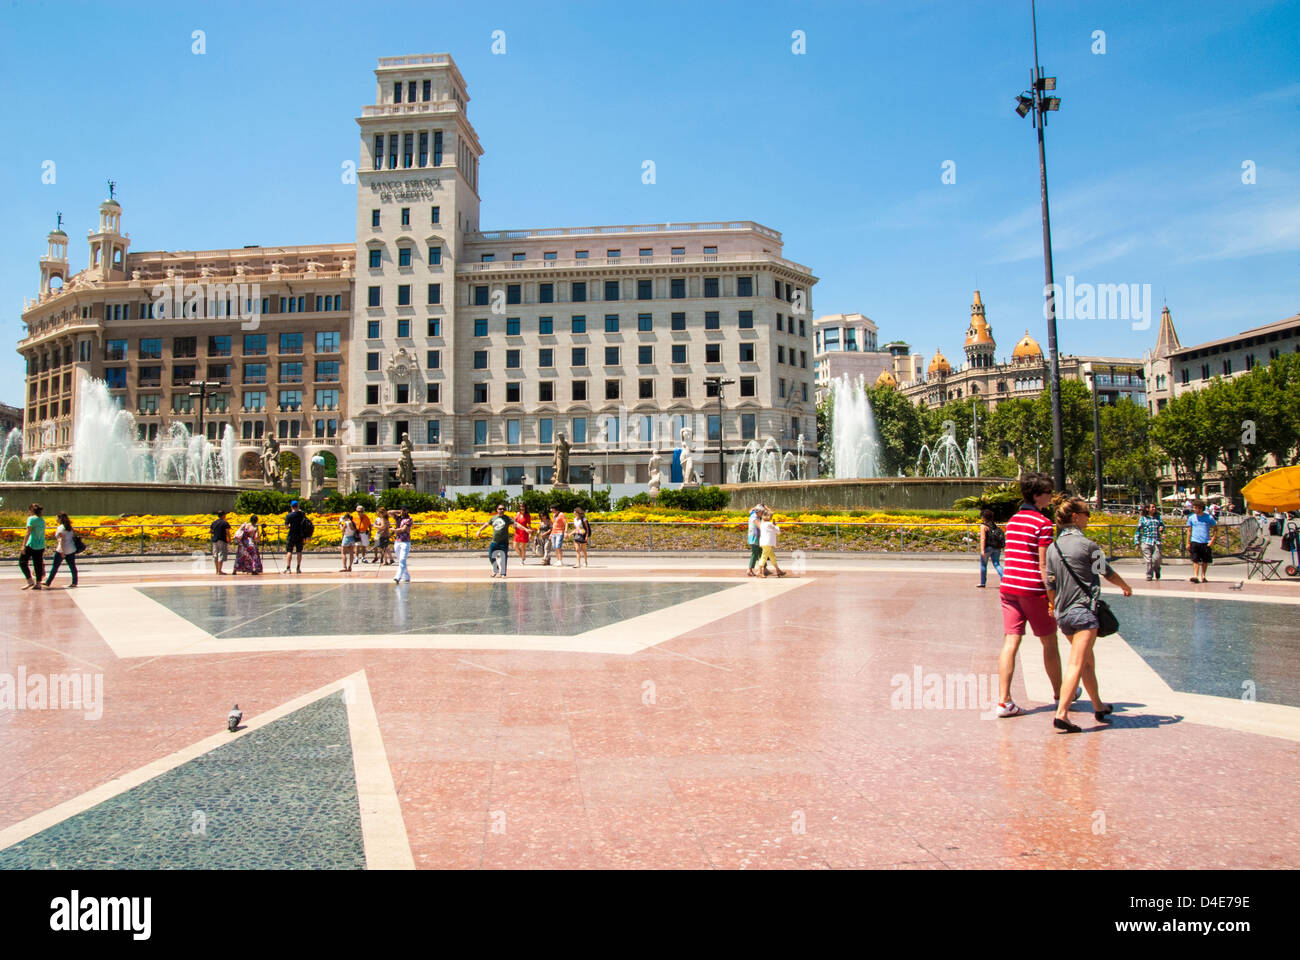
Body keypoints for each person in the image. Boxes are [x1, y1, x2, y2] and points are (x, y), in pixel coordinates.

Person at [1044, 498, 1133, 733]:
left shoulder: (1053, 548)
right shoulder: (1088, 546)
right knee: (1077, 662)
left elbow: (1050, 584)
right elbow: (1106, 572)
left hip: (1064, 615)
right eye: (1086, 514)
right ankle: (1062, 713)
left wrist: (1054, 606)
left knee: (1086, 661)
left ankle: (1098, 705)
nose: (1088, 518)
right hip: (1083, 612)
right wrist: (1125, 586)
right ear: (1075, 517)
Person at [995, 473, 1067, 719]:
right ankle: (1060, 695)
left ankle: (1004, 701)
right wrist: (1052, 597)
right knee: (1049, 642)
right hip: (1033, 590)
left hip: (1009, 588)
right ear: (1037, 495)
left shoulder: (1013, 520)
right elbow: (1044, 564)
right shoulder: (1043, 523)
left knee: (1010, 642)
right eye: (1048, 493)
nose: (1051, 497)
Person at [477, 503, 521, 578]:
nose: (502, 510)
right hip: (494, 542)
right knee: (491, 556)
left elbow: (516, 524)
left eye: (503, 509)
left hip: (504, 542)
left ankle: (503, 573)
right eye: (500, 509)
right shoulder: (493, 518)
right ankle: (496, 569)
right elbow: (486, 524)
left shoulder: (507, 518)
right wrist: (479, 530)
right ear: (497, 510)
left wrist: (526, 529)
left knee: (503, 558)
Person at [44, 512, 79, 588]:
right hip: (71, 549)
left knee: (55, 567)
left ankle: (48, 582)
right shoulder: (70, 527)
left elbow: (61, 540)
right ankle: (75, 582)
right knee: (72, 566)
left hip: (61, 550)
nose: (55, 519)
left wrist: (62, 551)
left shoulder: (60, 528)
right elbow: (73, 537)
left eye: (56, 517)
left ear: (60, 519)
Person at [1185, 498, 1216, 583]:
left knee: (1205, 560)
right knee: (1195, 559)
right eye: (1194, 508)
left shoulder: (1209, 517)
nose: (1194, 509)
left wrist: (1212, 540)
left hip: (1205, 541)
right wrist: (1187, 542)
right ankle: (1195, 575)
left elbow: (1215, 529)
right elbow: (1189, 530)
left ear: (1201, 508)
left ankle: (1203, 575)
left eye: (1196, 508)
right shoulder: (1191, 518)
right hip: (1195, 540)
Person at [1134, 503, 1165, 581]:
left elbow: (1162, 525)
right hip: (1146, 541)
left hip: (1156, 541)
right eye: (1152, 507)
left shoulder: (1158, 517)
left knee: (1157, 559)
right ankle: (1149, 575)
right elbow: (1138, 530)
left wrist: (1162, 528)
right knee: (1149, 560)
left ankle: (1157, 570)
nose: (1154, 509)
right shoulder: (1143, 518)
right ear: (1147, 509)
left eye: (1155, 507)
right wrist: (1136, 542)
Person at [19, 503, 47, 590]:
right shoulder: (42, 520)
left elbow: (28, 532)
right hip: (41, 545)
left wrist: (23, 545)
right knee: (38, 564)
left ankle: (30, 580)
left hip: (31, 545)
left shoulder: (31, 519)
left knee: (22, 562)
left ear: (31, 510)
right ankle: (38, 583)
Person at [977, 509, 1004, 588]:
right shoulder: (994, 526)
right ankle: (1004, 579)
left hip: (988, 548)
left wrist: (982, 550)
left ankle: (982, 582)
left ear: (983, 517)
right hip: (996, 548)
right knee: (997, 564)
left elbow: (983, 539)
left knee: (983, 565)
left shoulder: (983, 526)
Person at [756, 508, 787, 577]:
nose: (771, 517)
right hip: (768, 543)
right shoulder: (769, 524)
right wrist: (775, 525)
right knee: (764, 557)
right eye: (771, 516)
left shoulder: (762, 524)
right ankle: (759, 571)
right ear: (769, 517)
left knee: (772, 557)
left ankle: (778, 570)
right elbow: (778, 532)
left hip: (764, 543)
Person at [283, 500, 307, 574]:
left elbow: (286, 526)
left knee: (289, 551)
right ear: (298, 506)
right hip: (300, 535)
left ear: (291, 506)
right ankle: (298, 568)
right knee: (299, 551)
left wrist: (290, 525)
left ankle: (288, 568)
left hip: (291, 535)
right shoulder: (302, 514)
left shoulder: (289, 516)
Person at [745, 502, 765, 577]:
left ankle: (763, 569)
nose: (763, 513)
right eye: (762, 512)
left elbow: (750, 511)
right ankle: (750, 569)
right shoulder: (754, 518)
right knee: (755, 553)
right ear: (758, 512)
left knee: (761, 552)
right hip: (754, 538)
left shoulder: (753, 515)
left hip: (756, 537)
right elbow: (761, 527)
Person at [392, 508, 412, 583]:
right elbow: (388, 512)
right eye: (402, 510)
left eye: (404, 510)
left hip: (405, 542)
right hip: (397, 541)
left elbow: (403, 529)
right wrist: (398, 511)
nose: (403, 512)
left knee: (402, 559)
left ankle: (398, 576)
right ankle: (406, 576)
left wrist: (394, 530)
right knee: (400, 560)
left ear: (407, 511)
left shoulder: (409, 519)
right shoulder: (399, 518)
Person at [210, 510, 231, 576]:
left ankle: (217, 571)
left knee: (215, 555)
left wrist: (215, 532)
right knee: (221, 554)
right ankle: (220, 571)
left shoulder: (214, 522)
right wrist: (229, 539)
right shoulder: (225, 523)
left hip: (214, 540)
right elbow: (227, 532)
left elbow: (210, 531)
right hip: (222, 540)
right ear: (223, 515)